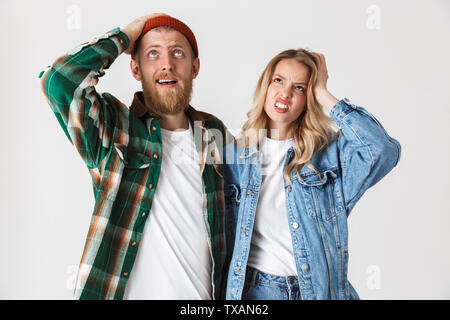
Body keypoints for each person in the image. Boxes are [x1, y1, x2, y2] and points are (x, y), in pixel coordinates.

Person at [39, 14, 231, 300]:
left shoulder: (213, 132)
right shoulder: (112, 127)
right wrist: (127, 35)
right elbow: (58, 82)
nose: (167, 63)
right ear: (135, 68)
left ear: (195, 67)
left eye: (178, 52)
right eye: (153, 54)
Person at [223, 49, 401, 300]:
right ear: (265, 85)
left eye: (300, 88)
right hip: (256, 292)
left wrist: (323, 93)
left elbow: (382, 150)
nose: (285, 92)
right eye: (279, 80)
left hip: (317, 292)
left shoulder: (327, 157)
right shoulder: (233, 157)